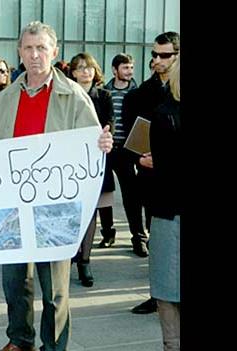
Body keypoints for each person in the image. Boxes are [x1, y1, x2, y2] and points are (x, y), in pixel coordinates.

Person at [0, 21, 113, 351]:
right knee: (15, 282)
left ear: (54, 52)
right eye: (28, 48)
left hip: (54, 208)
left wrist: (101, 142)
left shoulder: (72, 95)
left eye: (41, 48)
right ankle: (19, 340)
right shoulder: (7, 95)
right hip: (13, 205)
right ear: (19, 52)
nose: (34, 55)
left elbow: (91, 144)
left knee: (55, 289)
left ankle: (54, 346)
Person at [125, 31, 180, 316]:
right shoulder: (140, 94)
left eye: (165, 55)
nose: (157, 60)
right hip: (152, 177)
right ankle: (158, 294)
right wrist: (140, 159)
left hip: (175, 177)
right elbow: (131, 134)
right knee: (157, 238)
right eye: (154, 55)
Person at [139, 52, 180, 351]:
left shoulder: (164, 112)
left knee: (167, 286)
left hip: (168, 209)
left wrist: (156, 163)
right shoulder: (164, 112)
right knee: (167, 286)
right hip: (169, 211)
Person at [68, 52, 114, 288]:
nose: (86, 71)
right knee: (70, 212)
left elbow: (109, 125)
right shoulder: (66, 95)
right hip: (68, 162)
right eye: (80, 68)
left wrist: (105, 136)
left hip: (95, 160)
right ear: (73, 72)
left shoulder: (104, 95)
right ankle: (68, 256)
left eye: (90, 67)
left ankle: (85, 261)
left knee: (91, 213)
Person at [98, 53, 144, 255]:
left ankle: (138, 237)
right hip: (106, 150)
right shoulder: (104, 92)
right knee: (105, 193)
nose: (130, 72)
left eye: (131, 68)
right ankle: (108, 233)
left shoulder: (138, 93)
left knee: (131, 195)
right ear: (115, 70)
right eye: (125, 68)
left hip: (127, 150)